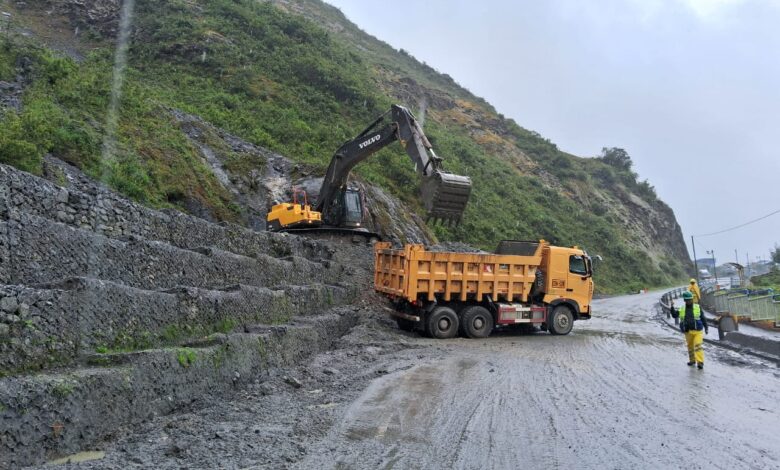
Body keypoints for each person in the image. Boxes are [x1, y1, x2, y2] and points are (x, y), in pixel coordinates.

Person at [675, 291, 708, 369]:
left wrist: (706, 327)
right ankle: (692, 360)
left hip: (698, 331)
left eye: (691, 299)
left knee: (698, 346)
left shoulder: (697, 307)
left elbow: (703, 318)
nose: (690, 301)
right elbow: (674, 315)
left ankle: (700, 362)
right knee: (690, 347)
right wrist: (672, 307)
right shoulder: (682, 309)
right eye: (688, 300)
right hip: (688, 331)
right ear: (685, 300)